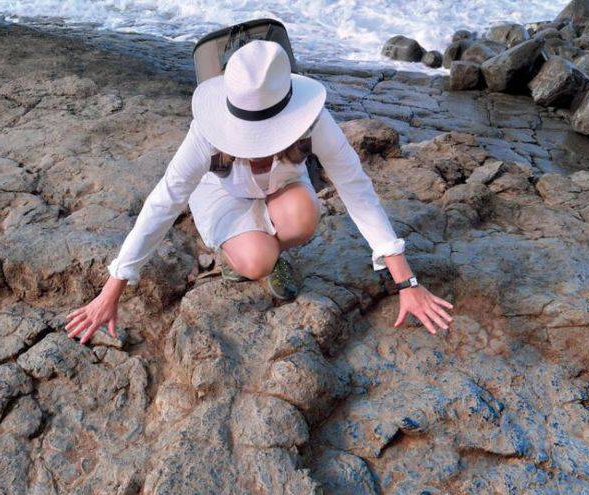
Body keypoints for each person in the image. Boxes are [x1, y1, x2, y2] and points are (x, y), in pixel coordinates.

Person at [66, 39, 453, 343]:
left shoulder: (314, 122)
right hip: (222, 194)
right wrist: (112, 290)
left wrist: (407, 282)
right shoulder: (206, 132)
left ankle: (267, 244)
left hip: (282, 186)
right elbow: (164, 202)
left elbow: (356, 188)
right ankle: (239, 250)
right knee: (256, 262)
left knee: (304, 217)